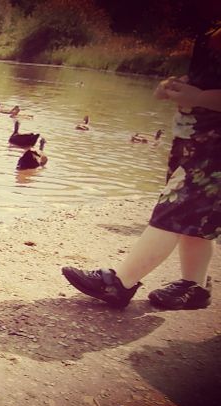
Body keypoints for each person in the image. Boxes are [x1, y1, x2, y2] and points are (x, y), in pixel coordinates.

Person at [61, 20, 221, 310]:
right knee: (195, 218)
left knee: (175, 207)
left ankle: (119, 283)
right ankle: (194, 285)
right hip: (194, 137)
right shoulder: (210, 27)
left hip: (215, 147)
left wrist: (198, 97)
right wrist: (180, 86)